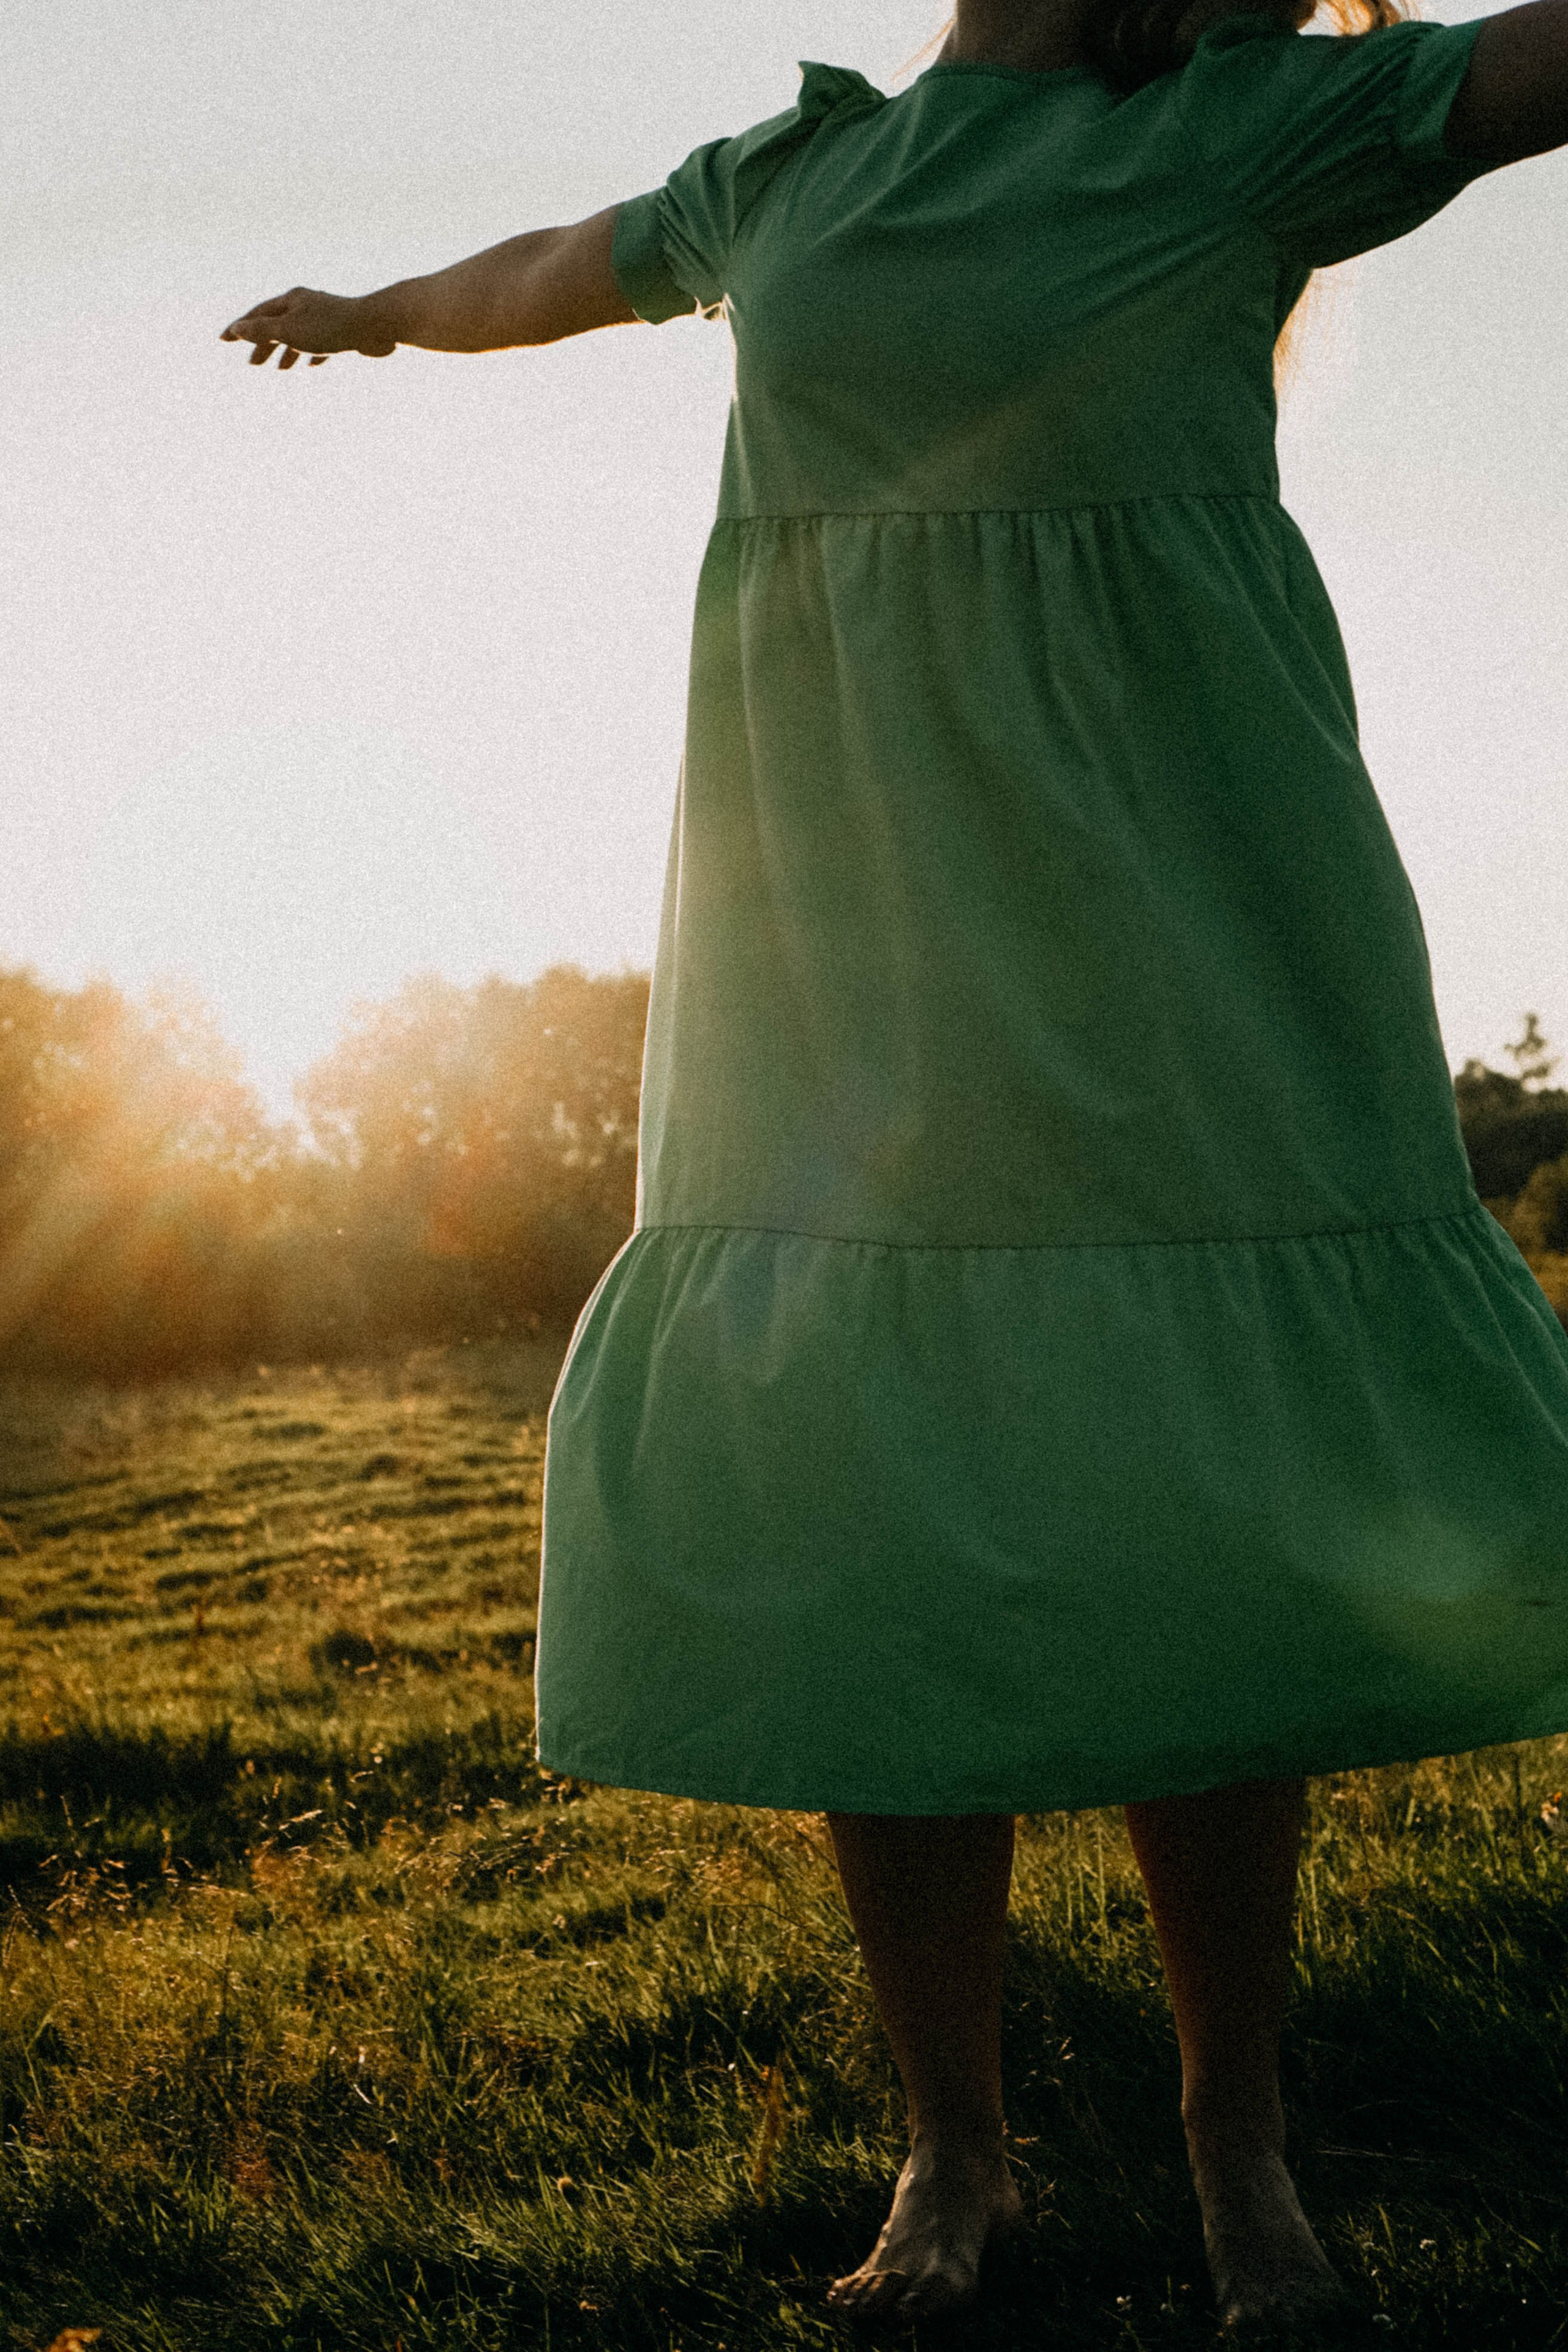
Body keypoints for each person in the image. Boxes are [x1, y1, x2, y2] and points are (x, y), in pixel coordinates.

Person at [223, 0, 1568, 2325]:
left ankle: (1238, 2143)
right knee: (879, 1513)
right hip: (850, 930)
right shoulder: (789, 178)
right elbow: (553, 265)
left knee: (1204, 1519)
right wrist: (378, 311)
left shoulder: (1249, 134)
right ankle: (954, 2153)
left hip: (1182, 916)